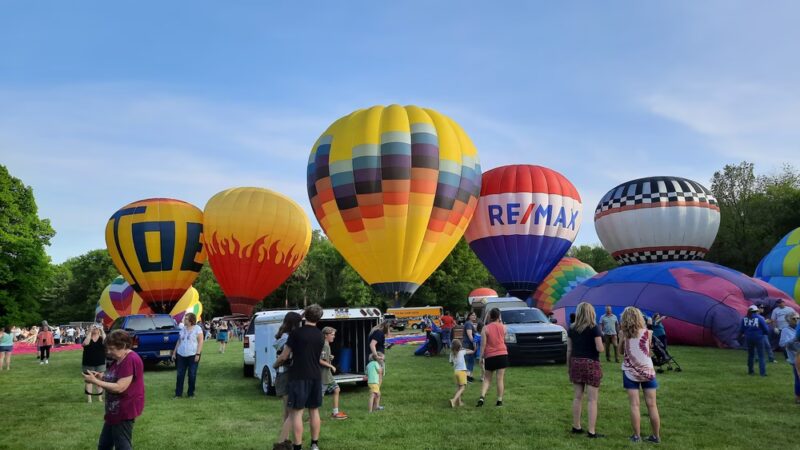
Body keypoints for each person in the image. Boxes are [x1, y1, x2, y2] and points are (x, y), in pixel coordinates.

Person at [274, 304, 324, 450]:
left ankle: (297, 446)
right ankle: (314, 444)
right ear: (318, 318)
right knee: (314, 410)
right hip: (316, 375)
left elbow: (284, 355)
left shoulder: (296, 334)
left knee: (297, 412)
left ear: (305, 315)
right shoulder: (320, 335)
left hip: (299, 375)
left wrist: (275, 365)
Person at [83, 330, 145, 450]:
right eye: (108, 348)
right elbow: (116, 376)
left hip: (124, 410)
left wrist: (96, 382)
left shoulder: (130, 359)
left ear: (124, 346)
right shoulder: (119, 358)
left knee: (122, 446)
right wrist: (101, 376)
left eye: (112, 349)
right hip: (114, 410)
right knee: (104, 445)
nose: (109, 352)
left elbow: (120, 387)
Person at [620, 307, 660, 444]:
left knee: (634, 405)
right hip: (648, 371)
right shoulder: (648, 333)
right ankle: (656, 436)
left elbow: (621, 351)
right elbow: (647, 350)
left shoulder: (623, 333)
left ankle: (636, 436)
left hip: (630, 371)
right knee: (652, 405)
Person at [568, 302, 605, 438]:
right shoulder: (594, 328)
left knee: (577, 397)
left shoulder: (571, 328)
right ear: (591, 313)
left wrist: (569, 366)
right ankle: (591, 431)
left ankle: (576, 426)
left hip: (576, 362)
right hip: (591, 363)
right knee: (592, 400)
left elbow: (569, 349)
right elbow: (600, 348)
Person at [273, 312, 303, 450]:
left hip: (283, 373)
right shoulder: (289, 337)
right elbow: (284, 356)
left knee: (286, 410)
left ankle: (286, 440)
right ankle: (282, 442)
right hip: (287, 373)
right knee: (291, 411)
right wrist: (275, 364)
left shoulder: (283, 335)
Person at [477, 308, 508, 407]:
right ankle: (499, 401)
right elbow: (504, 339)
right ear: (499, 317)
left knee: (487, 379)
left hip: (490, 355)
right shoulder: (504, 327)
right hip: (502, 354)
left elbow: (483, 345)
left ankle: (482, 397)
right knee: (500, 379)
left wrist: (481, 357)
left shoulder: (485, 328)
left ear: (490, 316)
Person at [172, 312, 204, 398]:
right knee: (180, 375)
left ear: (191, 320)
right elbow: (179, 341)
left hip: (193, 354)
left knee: (192, 374)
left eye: (186, 318)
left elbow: (201, 341)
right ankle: (178, 394)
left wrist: (198, 354)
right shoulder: (182, 329)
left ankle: (191, 393)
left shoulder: (197, 329)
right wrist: (174, 352)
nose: (184, 320)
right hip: (181, 355)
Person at [320, 327, 348, 420]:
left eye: (334, 334)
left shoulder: (327, 344)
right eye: (332, 335)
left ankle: (335, 413)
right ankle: (312, 417)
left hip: (328, 375)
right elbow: (319, 360)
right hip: (323, 375)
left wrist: (329, 357)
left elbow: (323, 357)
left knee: (336, 389)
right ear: (325, 335)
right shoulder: (324, 345)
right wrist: (331, 366)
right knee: (318, 397)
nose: (334, 336)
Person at [740, 304, 770, 376]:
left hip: (748, 338)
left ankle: (750, 371)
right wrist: (764, 333)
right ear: (756, 311)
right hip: (759, 337)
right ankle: (762, 373)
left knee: (751, 355)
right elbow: (766, 329)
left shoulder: (744, 318)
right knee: (761, 356)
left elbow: (741, 329)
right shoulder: (760, 318)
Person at [778, 313, 800, 403]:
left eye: (798, 318)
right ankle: (798, 397)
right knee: (798, 378)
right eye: (794, 318)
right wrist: (793, 340)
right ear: (788, 320)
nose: (796, 320)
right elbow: (782, 344)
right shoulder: (785, 330)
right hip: (795, 356)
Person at [82, 324, 107, 403]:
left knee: (100, 380)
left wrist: (102, 330)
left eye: (96, 327)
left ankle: (100, 398)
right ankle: (89, 399)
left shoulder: (101, 338)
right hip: (88, 363)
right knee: (89, 381)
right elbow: (85, 343)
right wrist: (90, 332)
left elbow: (106, 342)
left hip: (100, 362)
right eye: (94, 327)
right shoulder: (86, 337)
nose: (95, 329)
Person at [449, 339, 474, 408]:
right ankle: (454, 400)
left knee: (458, 387)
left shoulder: (451, 353)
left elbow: (451, 363)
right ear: (460, 347)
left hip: (456, 372)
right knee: (462, 388)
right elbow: (471, 351)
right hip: (462, 372)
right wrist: (466, 348)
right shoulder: (462, 352)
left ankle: (459, 402)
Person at [463, 312, 478, 382]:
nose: (474, 316)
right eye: (472, 315)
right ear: (469, 316)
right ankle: (468, 377)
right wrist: (474, 344)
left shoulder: (470, 323)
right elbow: (470, 336)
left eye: (475, 315)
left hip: (469, 344)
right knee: (470, 361)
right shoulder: (469, 323)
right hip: (468, 345)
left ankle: (470, 376)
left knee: (471, 361)